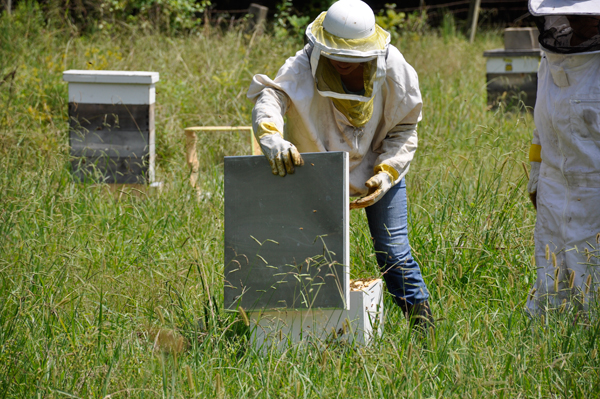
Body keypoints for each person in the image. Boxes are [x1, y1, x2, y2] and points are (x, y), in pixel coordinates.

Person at [247, 0, 433, 331]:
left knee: (394, 253)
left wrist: (388, 171)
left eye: (353, 57)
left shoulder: (395, 68)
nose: (343, 63)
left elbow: (405, 128)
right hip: (316, 172)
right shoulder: (301, 66)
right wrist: (272, 138)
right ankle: (305, 334)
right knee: (309, 254)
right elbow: (270, 99)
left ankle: (423, 326)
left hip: (379, 168)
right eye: (336, 55)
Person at [526, 0, 600, 315]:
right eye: (585, 14)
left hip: (595, 195)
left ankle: (585, 358)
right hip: (553, 192)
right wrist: (535, 178)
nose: (593, 21)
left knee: (592, 293)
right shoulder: (550, 60)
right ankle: (543, 357)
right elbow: (541, 128)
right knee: (549, 290)